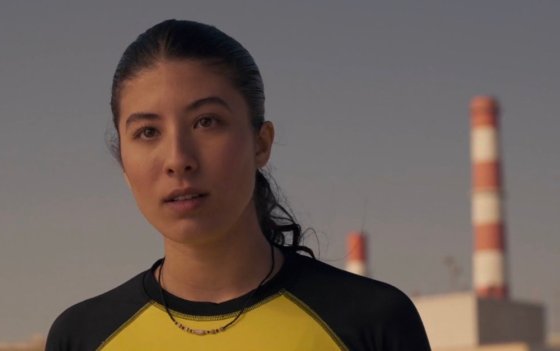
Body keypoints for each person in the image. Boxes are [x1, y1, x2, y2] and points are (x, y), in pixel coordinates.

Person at [46, 19, 430, 351]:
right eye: (148, 132)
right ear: (123, 163)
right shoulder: (83, 336)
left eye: (206, 122)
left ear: (261, 143)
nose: (178, 158)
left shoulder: (371, 324)